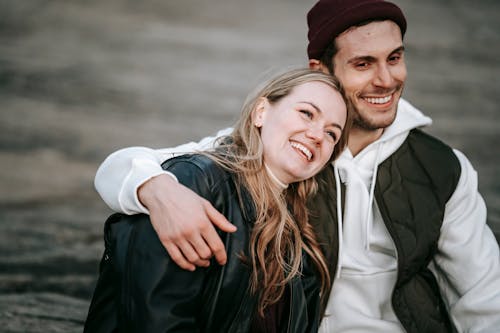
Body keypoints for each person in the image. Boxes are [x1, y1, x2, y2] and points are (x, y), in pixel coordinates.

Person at [94, 0, 500, 332]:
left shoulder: (442, 168)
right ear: (321, 71)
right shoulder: (284, 149)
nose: (386, 79)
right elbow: (130, 164)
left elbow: (484, 296)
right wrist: (156, 189)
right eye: (363, 64)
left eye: (394, 58)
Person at [84, 68, 350, 332]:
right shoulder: (194, 184)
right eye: (307, 113)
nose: (317, 135)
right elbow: (158, 319)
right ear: (261, 112)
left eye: (331, 134)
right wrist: (155, 188)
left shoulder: (302, 235)